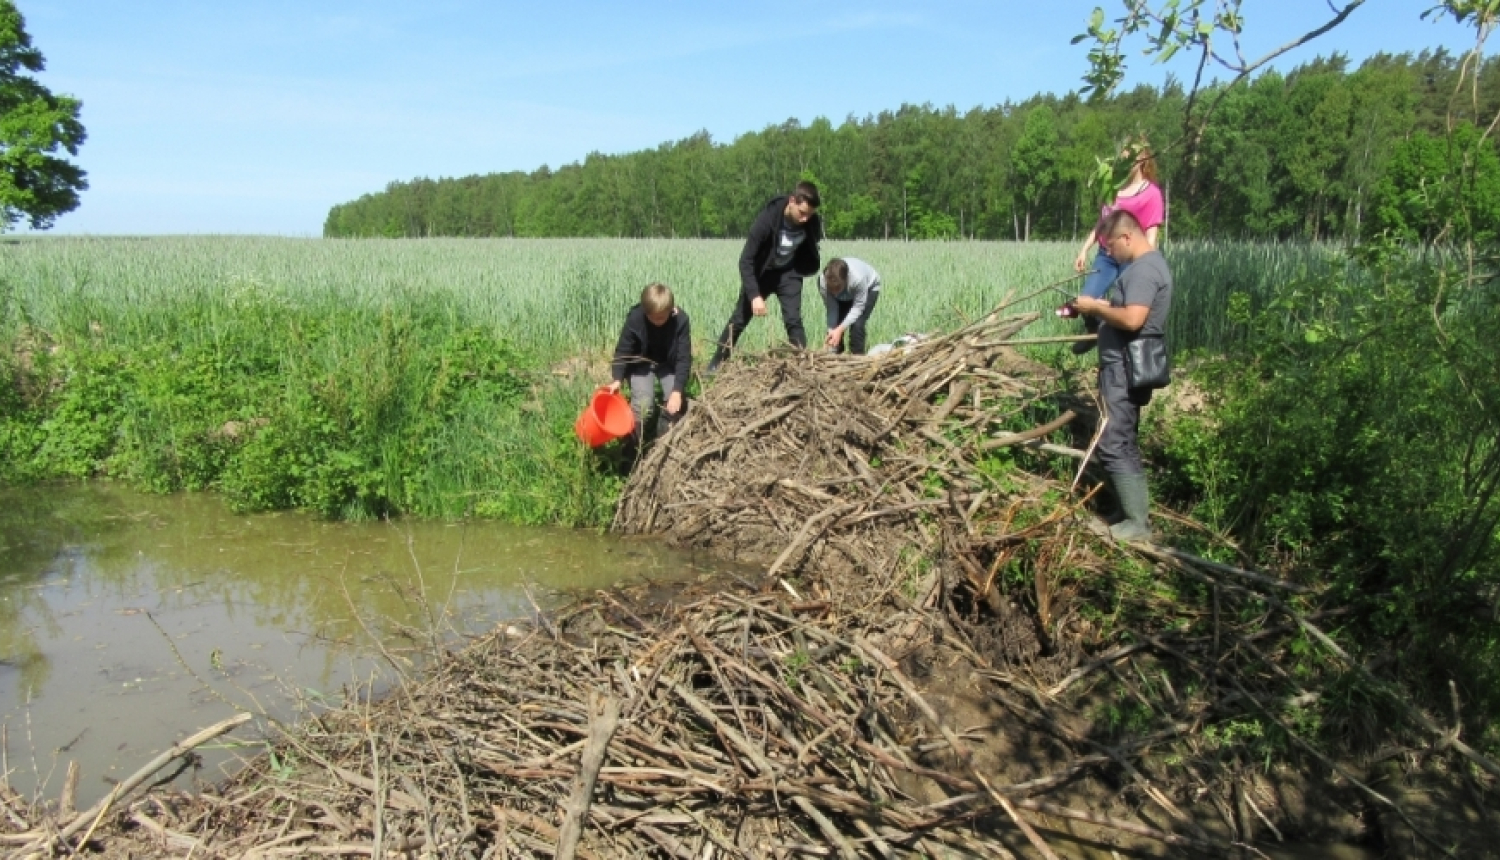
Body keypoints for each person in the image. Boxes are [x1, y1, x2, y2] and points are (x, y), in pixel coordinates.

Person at [1072, 210, 1173, 542]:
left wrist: (1096, 308)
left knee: (1116, 442)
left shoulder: (1144, 270)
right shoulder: (1146, 267)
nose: (1110, 253)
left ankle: (1137, 524)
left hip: (1124, 369)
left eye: (1111, 245)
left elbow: (1132, 319)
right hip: (1121, 367)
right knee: (1121, 440)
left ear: (1127, 237)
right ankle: (1126, 512)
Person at [706, 181, 823, 372]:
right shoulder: (767, 220)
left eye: (810, 214)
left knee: (793, 320)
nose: (805, 219)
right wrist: (754, 295)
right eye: (802, 213)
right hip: (763, 272)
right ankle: (717, 363)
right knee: (739, 319)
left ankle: (804, 366)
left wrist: (801, 266)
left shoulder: (811, 222)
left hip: (789, 272)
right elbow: (746, 260)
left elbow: (810, 246)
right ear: (792, 201)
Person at [1071, 139, 1164, 354]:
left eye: (1128, 158)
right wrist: (1084, 249)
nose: (1123, 162)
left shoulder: (1151, 193)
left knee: (1125, 303)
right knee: (1087, 296)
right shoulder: (1113, 189)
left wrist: (1144, 264)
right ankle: (1091, 331)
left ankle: (1124, 347)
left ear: (1141, 160)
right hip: (1106, 254)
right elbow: (1101, 223)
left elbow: (1152, 231)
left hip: (1131, 257)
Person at [607, 282, 691, 461]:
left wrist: (677, 391)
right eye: (654, 318)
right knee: (644, 404)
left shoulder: (681, 321)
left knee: (674, 402)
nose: (659, 321)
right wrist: (617, 379)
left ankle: (663, 448)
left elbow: (684, 359)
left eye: (663, 316)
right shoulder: (635, 318)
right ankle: (631, 453)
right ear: (646, 312)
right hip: (641, 364)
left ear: (671, 309)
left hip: (668, 364)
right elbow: (623, 350)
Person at [818, 257, 881, 355]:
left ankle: (857, 357)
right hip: (847, 291)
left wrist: (840, 329)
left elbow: (858, 307)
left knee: (857, 324)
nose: (834, 293)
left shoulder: (857, 279)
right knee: (837, 322)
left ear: (846, 279)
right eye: (831, 289)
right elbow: (832, 308)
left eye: (837, 288)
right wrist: (832, 331)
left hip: (869, 288)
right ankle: (834, 356)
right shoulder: (822, 282)